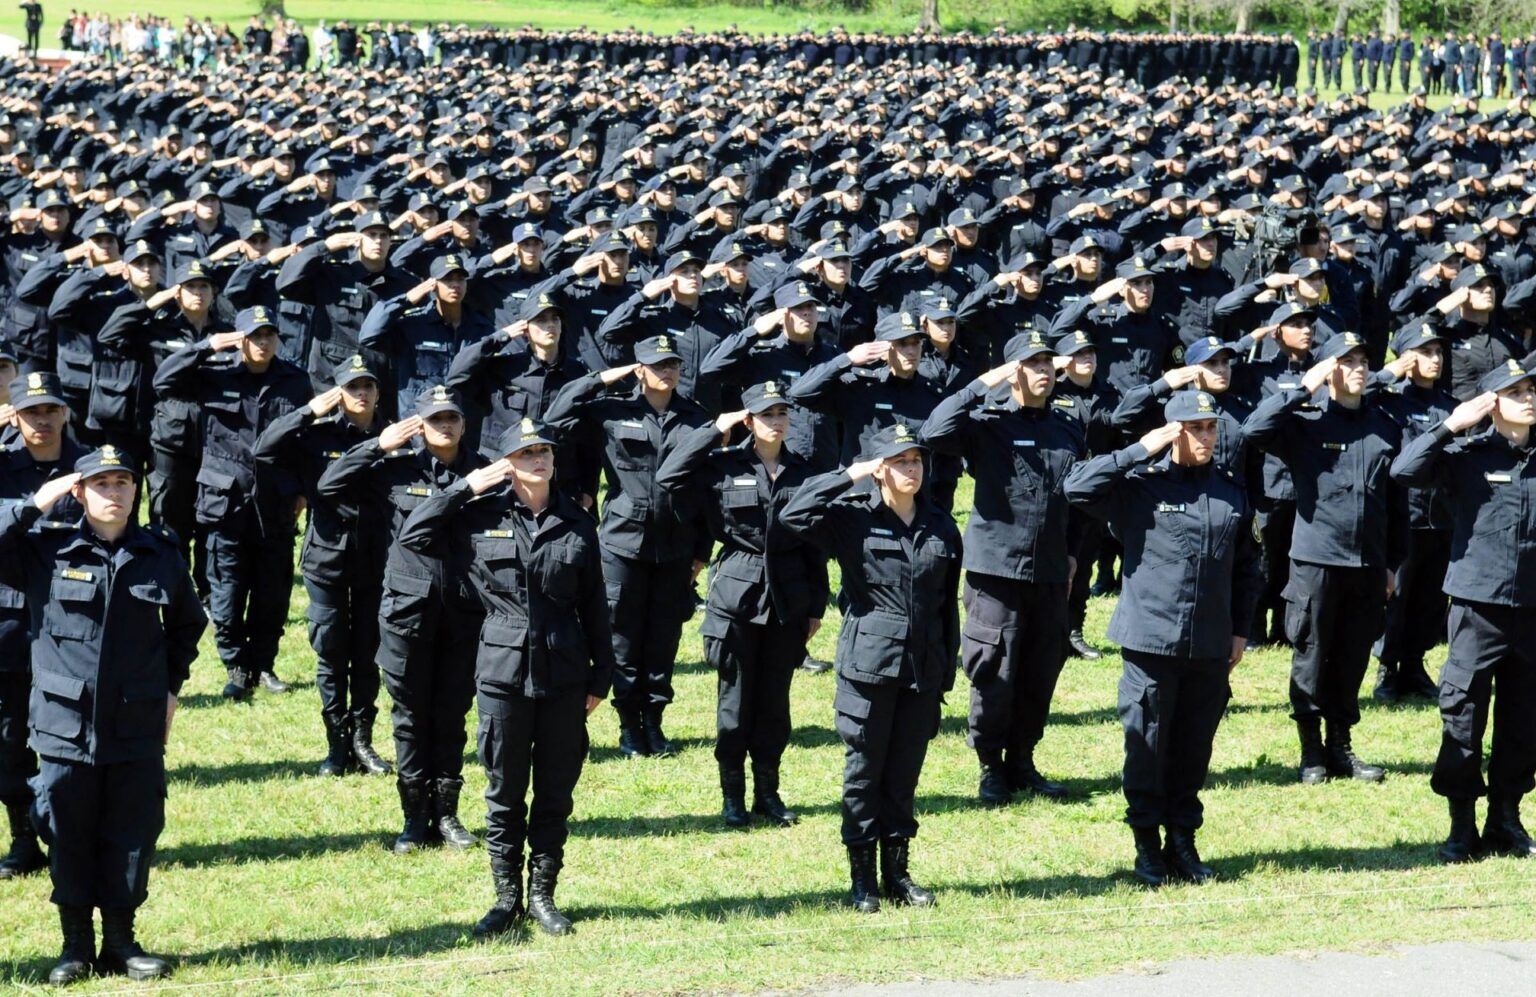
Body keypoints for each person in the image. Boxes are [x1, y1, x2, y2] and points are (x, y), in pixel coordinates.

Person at [397, 417, 612, 938]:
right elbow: (413, 533)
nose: (537, 460)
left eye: (544, 452)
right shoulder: (478, 516)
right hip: (502, 669)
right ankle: (506, 896)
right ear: (506, 464)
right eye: (525, 453)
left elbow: (595, 605)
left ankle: (542, 895)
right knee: (504, 790)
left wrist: (601, 677)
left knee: (555, 791)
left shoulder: (578, 521)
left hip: (563, 670)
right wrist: (466, 487)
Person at [0, 446, 206, 983]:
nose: (113, 492)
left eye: (122, 483)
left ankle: (121, 941)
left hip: (135, 720)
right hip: (63, 723)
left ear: (136, 490)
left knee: (131, 831)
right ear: (79, 491)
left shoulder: (159, 551)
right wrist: (34, 503)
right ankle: (75, 946)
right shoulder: (44, 548)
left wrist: (170, 687)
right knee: (66, 830)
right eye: (101, 484)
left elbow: (188, 624)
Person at [1064, 389, 1259, 885]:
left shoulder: (1230, 489)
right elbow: (1077, 488)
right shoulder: (1140, 486)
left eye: (1211, 427)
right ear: (1173, 433)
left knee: (1194, 748)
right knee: (1148, 747)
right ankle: (1147, 846)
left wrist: (1240, 630)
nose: (1206, 437)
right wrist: (1139, 449)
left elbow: (1246, 566)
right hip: (1152, 640)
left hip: (1210, 642)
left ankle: (1183, 842)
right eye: (1195, 429)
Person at [781, 422, 962, 913]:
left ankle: (897, 874)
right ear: (880, 469)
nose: (912, 469)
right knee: (864, 773)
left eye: (917, 461)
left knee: (903, 776)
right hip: (868, 667)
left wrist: (944, 674)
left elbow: (946, 607)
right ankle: (862, 880)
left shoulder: (942, 525)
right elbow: (792, 513)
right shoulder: (852, 518)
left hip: (922, 670)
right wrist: (851, 474)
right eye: (900, 461)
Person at [920, 330, 1085, 806]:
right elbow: (933, 432)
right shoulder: (987, 423)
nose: (1044, 371)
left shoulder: (1067, 425)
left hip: (1050, 569)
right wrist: (983, 383)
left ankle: (1023, 760)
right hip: (997, 569)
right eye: (1032, 364)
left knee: (1040, 670)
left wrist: (1073, 552)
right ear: (1013, 372)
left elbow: (1076, 495)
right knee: (995, 669)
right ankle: (990, 765)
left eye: (1048, 363)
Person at [317, 386, 484, 853]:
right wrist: (378, 445)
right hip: (407, 613)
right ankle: (413, 819)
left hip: (464, 611)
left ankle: (447, 814)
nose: (445, 426)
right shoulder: (394, 470)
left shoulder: (483, 471)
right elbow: (329, 485)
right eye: (435, 419)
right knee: (409, 717)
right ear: (419, 426)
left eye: (452, 418)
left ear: (464, 424)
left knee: (451, 715)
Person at [656, 381, 827, 827]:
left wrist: (816, 605)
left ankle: (767, 793)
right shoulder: (723, 466)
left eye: (782, 414)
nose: (776, 422)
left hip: (787, 596)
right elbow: (669, 476)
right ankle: (732, 795)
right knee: (734, 704)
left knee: (774, 706)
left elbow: (815, 541)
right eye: (766, 414)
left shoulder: (803, 471)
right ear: (748, 420)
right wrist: (715, 429)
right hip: (737, 593)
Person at [1242, 332, 1403, 785]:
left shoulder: (1385, 426)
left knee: (1353, 657)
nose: (1358, 368)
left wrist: (1392, 563)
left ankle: (1341, 746)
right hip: (1317, 559)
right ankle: (1311, 750)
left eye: (1363, 360)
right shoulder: (1306, 424)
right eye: (1347, 361)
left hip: (1367, 563)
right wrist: (1303, 387)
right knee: (1311, 655)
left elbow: (1396, 504)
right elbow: (1255, 430)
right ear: (1329, 370)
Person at [1392, 360, 1536, 863]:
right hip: (1478, 607)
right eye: (1515, 392)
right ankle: (1462, 823)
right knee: (1463, 714)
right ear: (1491, 404)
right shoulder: (1467, 456)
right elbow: (1404, 471)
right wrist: (1452, 425)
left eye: (1531, 389)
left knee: (1524, 720)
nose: (1528, 398)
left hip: (1532, 611)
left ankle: (1506, 818)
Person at [543, 335, 710, 758]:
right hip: (622, 542)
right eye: (656, 364)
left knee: (663, 636)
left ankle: (654, 721)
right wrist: (602, 378)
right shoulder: (611, 412)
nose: (666, 371)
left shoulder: (696, 418)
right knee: (622, 635)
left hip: (676, 543)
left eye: (672, 364)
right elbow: (556, 417)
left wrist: (702, 551)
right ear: (639, 370)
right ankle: (629, 726)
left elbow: (706, 490)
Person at [152, 306, 310, 700]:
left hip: (275, 500)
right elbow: (163, 380)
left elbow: (306, 439)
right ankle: (236, 665)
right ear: (239, 339)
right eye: (255, 336)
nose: (263, 343)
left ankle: (264, 664)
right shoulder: (214, 374)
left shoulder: (294, 380)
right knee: (227, 589)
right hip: (225, 498)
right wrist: (206, 346)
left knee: (273, 590)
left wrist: (304, 490)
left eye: (269, 335)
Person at [253, 355, 392, 776]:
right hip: (326, 556)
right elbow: (264, 448)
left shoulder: (392, 436)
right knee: (330, 649)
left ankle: (363, 741)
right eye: (352, 387)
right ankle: (337, 743)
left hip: (375, 557)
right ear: (337, 393)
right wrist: (309, 411)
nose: (361, 393)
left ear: (378, 392)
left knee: (367, 651)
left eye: (368, 386)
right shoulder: (316, 435)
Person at [0, 373, 82, 882]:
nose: (43, 420)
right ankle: (24, 838)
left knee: (69, 735)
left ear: (65, 413)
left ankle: (69, 836)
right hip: (9, 619)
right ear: (14, 417)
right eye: (32, 412)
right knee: (9, 736)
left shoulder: (91, 467)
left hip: (72, 619)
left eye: (51, 409)